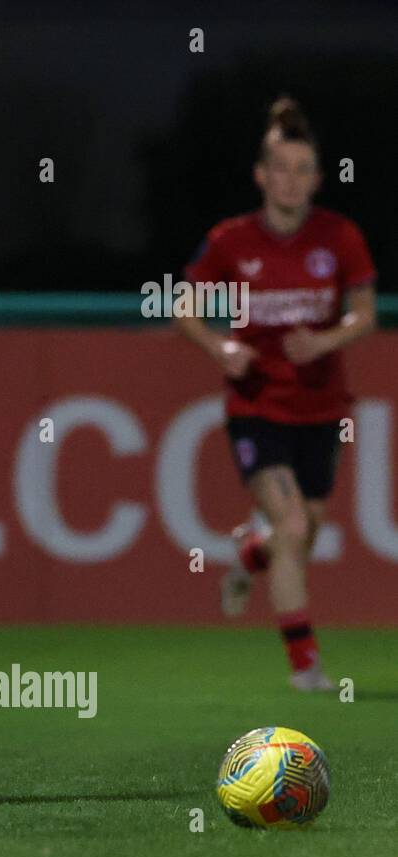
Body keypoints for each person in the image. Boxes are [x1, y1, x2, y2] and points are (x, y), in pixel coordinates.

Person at [175, 97, 377, 691]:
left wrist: (325, 341)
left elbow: (364, 314)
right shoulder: (231, 241)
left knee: (302, 531)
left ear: (316, 177)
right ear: (262, 175)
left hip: (321, 407)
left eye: (304, 169)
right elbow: (182, 306)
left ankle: (248, 557)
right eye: (281, 168)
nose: (292, 180)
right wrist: (219, 348)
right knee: (291, 524)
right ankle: (306, 665)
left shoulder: (339, 237)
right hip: (256, 406)